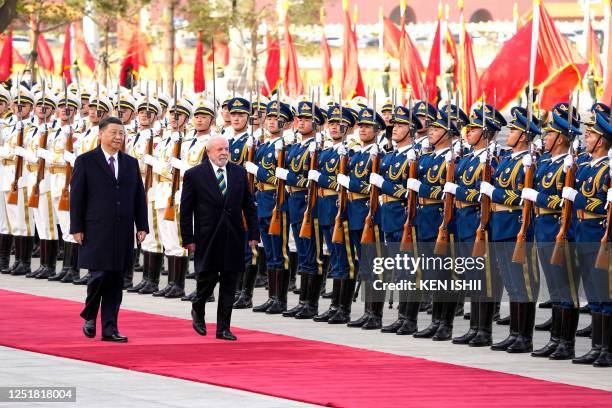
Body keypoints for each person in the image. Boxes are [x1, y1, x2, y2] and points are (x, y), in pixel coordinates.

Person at [71, 116, 148, 342]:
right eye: (113, 133)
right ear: (101, 134)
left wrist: (142, 225)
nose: (118, 137)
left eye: (121, 134)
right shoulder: (86, 161)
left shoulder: (130, 163)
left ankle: (110, 328)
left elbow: (138, 196)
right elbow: (77, 197)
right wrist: (76, 227)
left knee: (116, 280)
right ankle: (90, 313)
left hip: (122, 229)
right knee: (99, 274)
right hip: (96, 228)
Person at [180, 134, 259, 341]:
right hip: (207, 236)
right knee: (207, 279)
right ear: (208, 153)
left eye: (226, 149)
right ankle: (198, 306)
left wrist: (253, 233)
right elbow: (186, 210)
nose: (224, 153)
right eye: (219, 150)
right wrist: (188, 237)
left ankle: (223, 327)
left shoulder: (239, 173)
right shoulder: (194, 175)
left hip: (233, 236)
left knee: (230, 282)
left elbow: (248, 206)